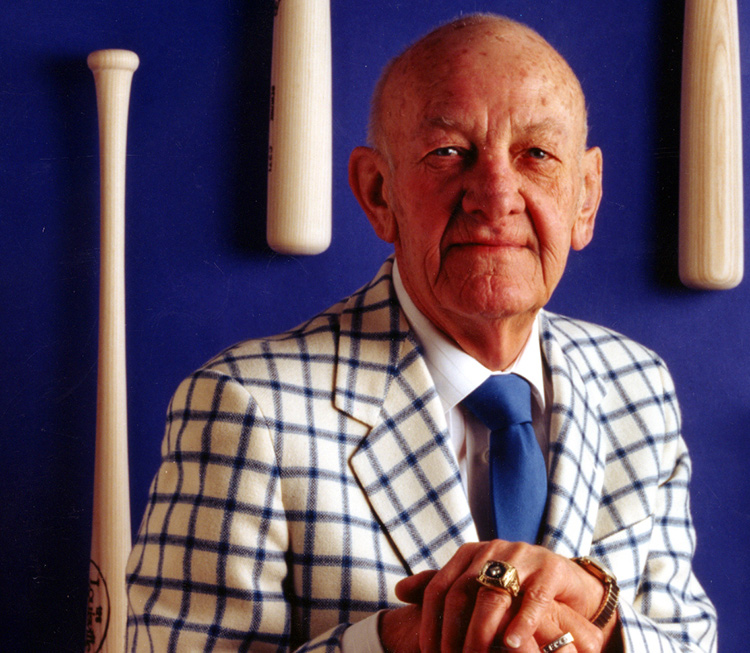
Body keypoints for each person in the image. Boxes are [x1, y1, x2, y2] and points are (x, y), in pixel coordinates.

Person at [126, 13, 717, 653]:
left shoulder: (639, 385)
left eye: (537, 155)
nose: (496, 195)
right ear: (378, 192)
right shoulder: (246, 408)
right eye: (448, 153)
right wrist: (396, 641)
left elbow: (690, 639)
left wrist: (605, 625)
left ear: (585, 197)